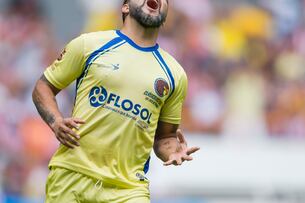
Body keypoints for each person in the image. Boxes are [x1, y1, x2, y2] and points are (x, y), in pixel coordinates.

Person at [32, 0, 200, 202]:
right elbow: (43, 87)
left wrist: (172, 151)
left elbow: (165, 138)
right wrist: (56, 121)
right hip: (72, 176)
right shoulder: (89, 44)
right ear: (125, 7)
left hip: (128, 189)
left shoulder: (175, 74)